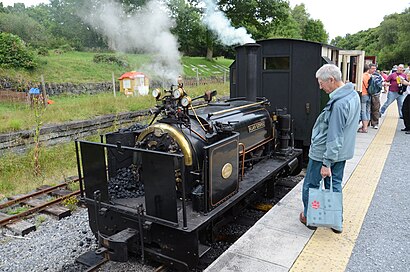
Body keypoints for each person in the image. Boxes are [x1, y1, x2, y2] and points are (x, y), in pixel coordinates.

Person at [299, 64, 360, 233]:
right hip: (342, 153)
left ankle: (310, 217)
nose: (320, 86)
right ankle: (335, 221)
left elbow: (334, 136)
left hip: (324, 154)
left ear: (331, 80)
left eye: (321, 82)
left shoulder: (339, 104)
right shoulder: (353, 95)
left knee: (311, 184)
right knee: (335, 185)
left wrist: (326, 163)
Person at [368, 64, 383, 129]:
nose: (374, 70)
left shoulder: (378, 76)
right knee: (367, 109)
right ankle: (367, 122)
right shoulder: (366, 74)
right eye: (372, 68)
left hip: (375, 94)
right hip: (367, 94)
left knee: (375, 108)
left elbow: (380, 84)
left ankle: (375, 123)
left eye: (375, 68)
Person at [358, 64, 371, 132]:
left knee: (363, 111)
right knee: (368, 111)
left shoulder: (361, 76)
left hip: (363, 94)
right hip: (369, 94)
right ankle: (366, 126)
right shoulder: (369, 76)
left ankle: (364, 128)